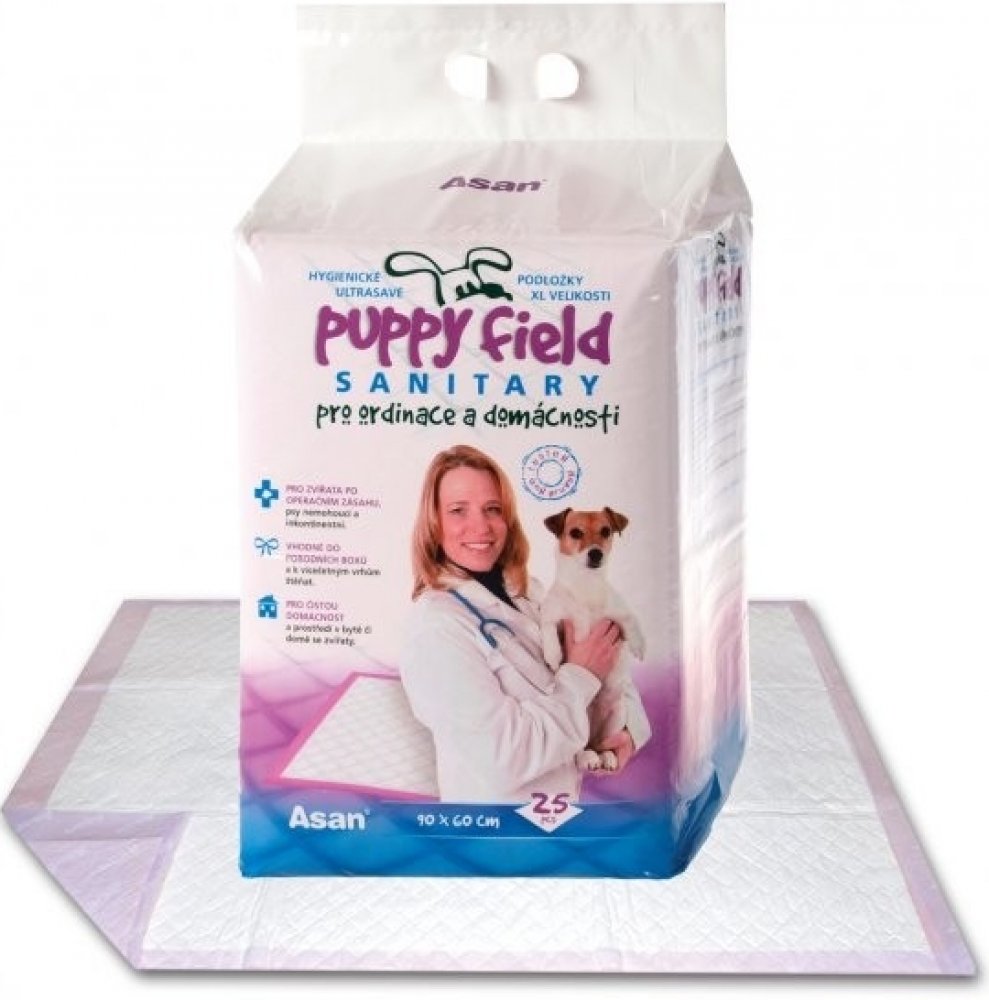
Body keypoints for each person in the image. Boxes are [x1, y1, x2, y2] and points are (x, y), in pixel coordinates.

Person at [400, 444, 651, 804]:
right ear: (434, 522)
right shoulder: (436, 631)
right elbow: (502, 757)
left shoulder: (527, 592)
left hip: (558, 813)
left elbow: (607, 662)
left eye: (493, 509)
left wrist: (628, 730)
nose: (481, 526)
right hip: (496, 827)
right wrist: (581, 676)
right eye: (458, 510)